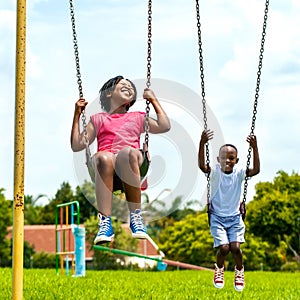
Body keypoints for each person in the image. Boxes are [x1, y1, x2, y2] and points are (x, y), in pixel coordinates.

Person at [71, 75, 170, 245]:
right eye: (122, 85)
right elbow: (77, 144)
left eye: (131, 87)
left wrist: (153, 100)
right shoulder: (98, 119)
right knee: (102, 156)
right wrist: (76, 115)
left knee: (126, 153)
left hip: (132, 162)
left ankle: (136, 219)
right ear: (109, 93)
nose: (128, 87)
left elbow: (164, 125)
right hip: (106, 167)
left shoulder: (138, 117)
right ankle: (105, 223)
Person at [198, 129, 260, 292]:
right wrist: (202, 143)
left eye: (231, 158)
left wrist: (254, 148)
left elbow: (256, 170)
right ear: (218, 159)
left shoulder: (239, 174)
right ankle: (219, 269)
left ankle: (239, 270)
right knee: (224, 248)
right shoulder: (215, 172)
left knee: (235, 248)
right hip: (217, 218)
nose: (227, 160)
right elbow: (202, 166)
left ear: (236, 160)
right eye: (224, 158)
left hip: (234, 218)